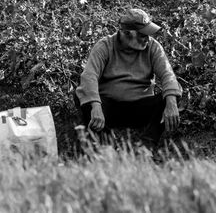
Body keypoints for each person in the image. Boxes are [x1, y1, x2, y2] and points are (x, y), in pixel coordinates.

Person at [74, 8, 182, 149]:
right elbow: (89, 76)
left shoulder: (153, 47)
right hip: (108, 109)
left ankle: (146, 146)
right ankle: (108, 145)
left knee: (173, 94)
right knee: (82, 95)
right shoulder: (105, 46)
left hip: (141, 109)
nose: (147, 38)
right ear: (126, 33)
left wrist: (171, 103)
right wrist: (95, 105)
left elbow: (168, 75)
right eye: (143, 35)